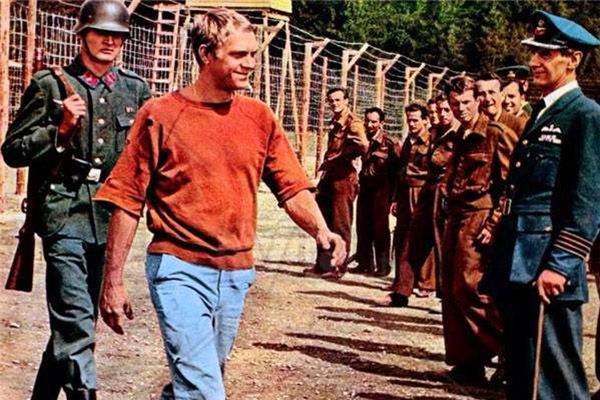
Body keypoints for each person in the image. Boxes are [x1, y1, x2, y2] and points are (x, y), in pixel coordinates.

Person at [95, 8, 345, 400]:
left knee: (200, 376)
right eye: (239, 55)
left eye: (254, 54)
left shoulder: (259, 118)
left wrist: (322, 230)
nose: (251, 64)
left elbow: (292, 187)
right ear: (205, 54)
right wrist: (112, 281)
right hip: (178, 269)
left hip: (235, 274)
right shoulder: (161, 115)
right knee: (204, 389)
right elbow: (127, 200)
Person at [1, 1, 150, 399]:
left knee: (74, 328)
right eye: (101, 33)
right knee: (77, 322)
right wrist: (60, 130)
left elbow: (144, 156)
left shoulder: (134, 90)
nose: (109, 42)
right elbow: (12, 150)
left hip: (108, 217)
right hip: (63, 214)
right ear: (82, 35)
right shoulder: (50, 86)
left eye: (117, 35)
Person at [491, 10, 600, 400]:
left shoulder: (585, 115)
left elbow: (587, 200)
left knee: (554, 380)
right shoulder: (542, 111)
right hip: (521, 261)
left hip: (547, 268)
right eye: (533, 52)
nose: (534, 61)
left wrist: (561, 264)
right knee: (524, 375)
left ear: (572, 59)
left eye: (546, 53)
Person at [440, 75, 517, 385]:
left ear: (477, 101)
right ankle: (468, 363)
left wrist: (495, 223)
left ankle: (512, 351)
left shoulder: (495, 134)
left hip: (479, 216)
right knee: (450, 290)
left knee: (470, 287)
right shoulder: (459, 135)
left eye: (466, 102)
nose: (460, 108)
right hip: (456, 214)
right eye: (454, 103)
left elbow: (512, 184)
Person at [381, 94, 460, 306]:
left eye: (446, 110)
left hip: (442, 193)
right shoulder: (435, 134)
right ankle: (401, 291)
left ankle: (439, 292)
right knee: (410, 240)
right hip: (426, 191)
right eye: (437, 111)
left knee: (442, 244)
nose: (440, 115)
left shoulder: (458, 135)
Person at [304, 87, 368, 279]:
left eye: (338, 100)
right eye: (331, 100)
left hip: (344, 178)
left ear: (346, 101)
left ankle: (338, 267)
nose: (334, 104)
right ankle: (323, 265)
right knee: (323, 222)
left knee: (340, 224)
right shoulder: (336, 121)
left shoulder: (353, 122)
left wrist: (343, 156)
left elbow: (363, 145)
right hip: (330, 177)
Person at [352, 107, 401, 276]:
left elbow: (399, 170)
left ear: (381, 123)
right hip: (365, 187)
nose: (370, 125)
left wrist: (395, 196)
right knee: (362, 225)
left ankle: (383, 265)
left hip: (383, 189)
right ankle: (364, 263)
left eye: (374, 122)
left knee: (380, 227)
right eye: (367, 121)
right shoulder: (362, 139)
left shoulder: (390, 143)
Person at [389, 102, 431, 284]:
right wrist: (395, 199)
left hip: (420, 192)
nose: (411, 124)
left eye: (415, 120)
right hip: (405, 192)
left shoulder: (431, 141)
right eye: (409, 120)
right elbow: (400, 170)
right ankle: (401, 280)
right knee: (401, 235)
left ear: (426, 120)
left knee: (419, 236)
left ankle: (424, 282)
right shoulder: (408, 141)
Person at [475, 71, 528, 137]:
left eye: (492, 92)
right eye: (482, 94)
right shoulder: (476, 125)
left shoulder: (520, 125)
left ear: (502, 95)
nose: (487, 99)